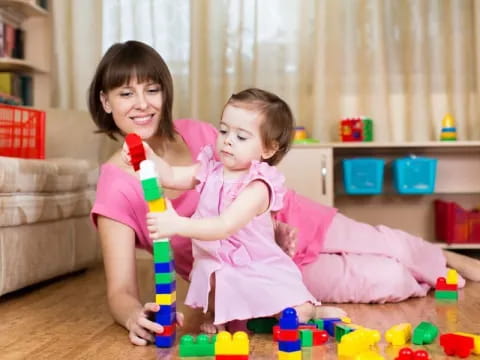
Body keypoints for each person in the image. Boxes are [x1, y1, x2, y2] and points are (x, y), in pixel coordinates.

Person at [89, 40, 480, 345]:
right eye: (126, 94)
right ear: (106, 101)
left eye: (152, 90)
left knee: (387, 242)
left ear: (165, 93)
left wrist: (272, 226)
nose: (142, 104)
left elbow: (249, 175)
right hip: (258, 272)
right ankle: (434, 272)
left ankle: (445, 256)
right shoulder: (115, 187)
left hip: (289, 222)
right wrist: (132, 316)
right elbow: (121, 290)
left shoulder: (200, 132)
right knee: (385, 278)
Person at [126, 88, 346, 333]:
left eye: (241, 136)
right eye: (223, 131)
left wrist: (177, 224)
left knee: (292, 309)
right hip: (218, 260)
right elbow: (170, 176)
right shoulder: (211, 169)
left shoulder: (258, 186)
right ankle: (221, 315)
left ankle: (312, 309)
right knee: (213, 278)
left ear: (268, 149)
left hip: (256, 263)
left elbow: (224, 225)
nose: (228, 140)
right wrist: (149, 158)